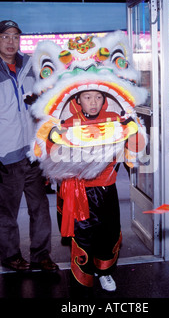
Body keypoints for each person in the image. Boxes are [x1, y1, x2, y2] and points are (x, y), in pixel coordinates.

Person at [0, 20, 58, 272]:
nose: (11, 42)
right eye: (5, 36)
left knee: (40, 209)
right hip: (3, 158)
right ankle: (10, 256)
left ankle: (42, 254)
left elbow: (44, 105)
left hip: (32, 155)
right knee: (6, 214)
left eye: (15, 37)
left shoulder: (30, 70)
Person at [56, 90, 141, 294]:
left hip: (106, 188)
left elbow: (133, 148)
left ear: (104, 99)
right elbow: (55, 155)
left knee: (109, 232)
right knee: (83, 235)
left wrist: (133, 127)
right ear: (77, 100)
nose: (93, 102)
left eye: (98, 97)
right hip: (80, 191)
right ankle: (82, 277)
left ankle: (104, 272)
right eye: (87, 97)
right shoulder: (68, 123)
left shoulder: (114, 120)